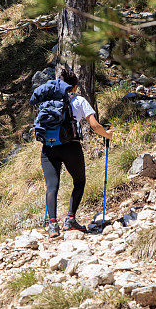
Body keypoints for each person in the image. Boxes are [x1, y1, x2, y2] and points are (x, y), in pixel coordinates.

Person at [42, 69, 112, 238]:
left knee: (52, 185)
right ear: (74, 87)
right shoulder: (79, 100)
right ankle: (70, 220)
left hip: (48, 147)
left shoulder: (48, 100)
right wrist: (108, 135)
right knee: (79, 181)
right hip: (70, 146)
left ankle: (52, 225)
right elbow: (95, 126)